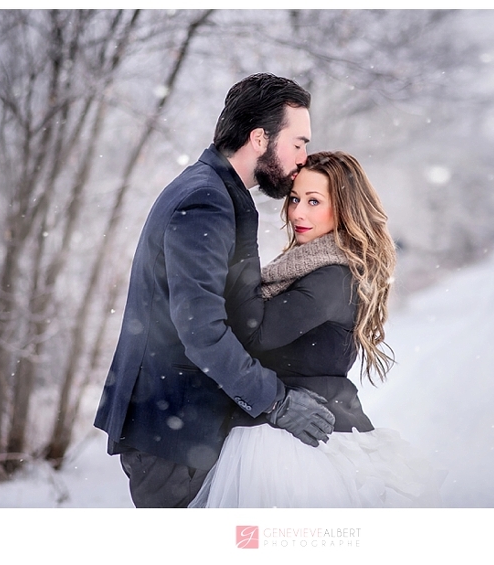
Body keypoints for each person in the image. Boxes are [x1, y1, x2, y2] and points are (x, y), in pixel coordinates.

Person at [93, 73, 336, 508]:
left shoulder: (214, 190)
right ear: (260, 138)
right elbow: (201, 330)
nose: (304, 156)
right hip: (171, 430)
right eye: (298, 142)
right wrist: (277, 403)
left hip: (177, 425)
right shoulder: (205, 201)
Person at [189, 151, 445, 507]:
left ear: (344, 208)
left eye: (314, 201)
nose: (298, 213)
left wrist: (243, 245)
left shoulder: (332, 277)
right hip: (288, 432)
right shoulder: (302, 267)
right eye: (295, 199)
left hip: (296, 444)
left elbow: (254, 334)